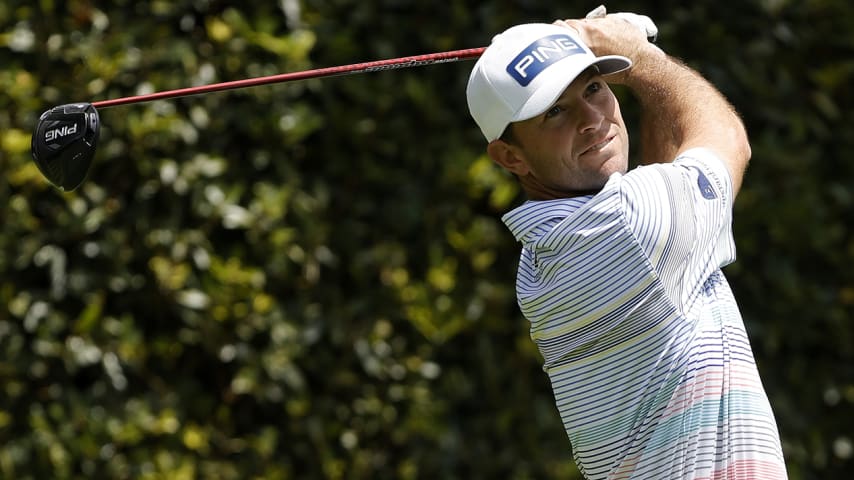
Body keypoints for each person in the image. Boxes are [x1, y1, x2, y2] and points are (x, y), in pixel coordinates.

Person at [465, 9, 788, 480]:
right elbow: (729, 140)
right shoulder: (622, 231)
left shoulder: (550, 251)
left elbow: (663, 178)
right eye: (555, 110)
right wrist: (641, 57)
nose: (593, 119)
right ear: (510, 156)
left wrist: (638, 63)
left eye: (594, 87)